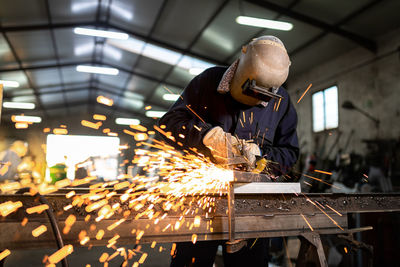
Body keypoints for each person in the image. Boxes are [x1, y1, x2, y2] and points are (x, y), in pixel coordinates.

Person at [159, 36, 299, 267]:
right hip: (201, 202)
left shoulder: (281, 101)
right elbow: (168, 124)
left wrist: (262, 157)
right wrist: (206, 136)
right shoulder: (207, 82)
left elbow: (289, 153)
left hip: (252, 205)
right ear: (241, 59)